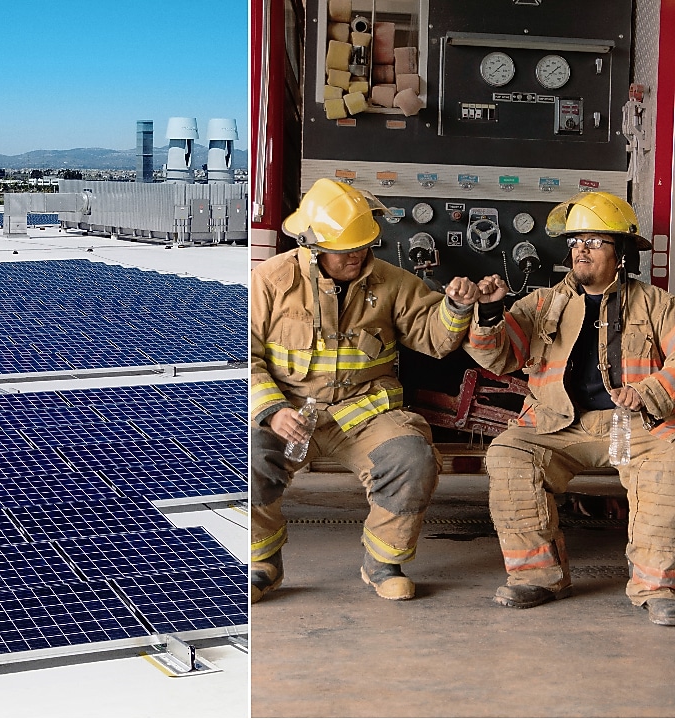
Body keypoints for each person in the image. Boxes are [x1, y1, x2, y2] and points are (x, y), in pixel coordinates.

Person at [251, 178, 479, 603]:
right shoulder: (269, 281)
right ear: (314, 246)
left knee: (412, 458)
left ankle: (382, 562)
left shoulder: (393, 282)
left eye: (363, 245)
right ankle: (262, 562)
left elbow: (436, 339)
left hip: (365, 414)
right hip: (290, 414)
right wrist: (272, 410)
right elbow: (241, 355)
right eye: (346, 249)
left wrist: (456, 307)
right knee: (247, 458)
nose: (357, 255)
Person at [465, 190, 675, 625]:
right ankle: (537, 577)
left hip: (636, 424)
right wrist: (489, 314)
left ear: (622, 254)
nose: (582, 249)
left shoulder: (656, 303)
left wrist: (650, 391)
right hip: (557, 423)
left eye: (595, 241)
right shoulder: (543, 303)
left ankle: (657, 586)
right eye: (577, 241)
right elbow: (502, 355)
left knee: (671, 463)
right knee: (509, 455)